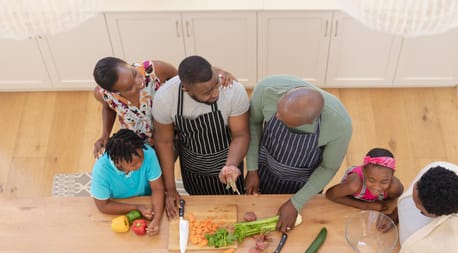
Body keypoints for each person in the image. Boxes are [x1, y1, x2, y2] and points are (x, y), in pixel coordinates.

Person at [245, 75, 352, 233]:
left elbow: (328, 168)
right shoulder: (266, 89)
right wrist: (252, 168)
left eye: (284, 121)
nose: (276, 116)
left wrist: (296, 203)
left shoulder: (339, 125)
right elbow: (253, 123)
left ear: (309, 122)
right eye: (278, 111)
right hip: (264, 169)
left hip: (301, 184)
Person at [152, 55, 250, 218]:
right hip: (193, 167)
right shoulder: (165, 98)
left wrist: (231, 165)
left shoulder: (233, 90)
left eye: (216, 85)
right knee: (199, 211)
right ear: (186, 89)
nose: (215, 94)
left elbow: (241, 135)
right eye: (207, 92)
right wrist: (170, 189)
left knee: (233, 208)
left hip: (229, 160)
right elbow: (164, 142)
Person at [92, 57, 235, 158]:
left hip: (170, 133)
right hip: (138, 141)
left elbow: (184, 79)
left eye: (134, 74)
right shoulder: (103, 94)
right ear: (114, 91)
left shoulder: (154, 70)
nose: (139, 83)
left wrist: (214, 73)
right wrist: (105, 134)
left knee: (166, 166)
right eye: (129, 88)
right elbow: (108, 108)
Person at [90, 129, 165, 235]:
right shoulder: (101, 170)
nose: (140, 165)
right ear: (117, 162)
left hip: (147, 201)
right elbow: (103, 205)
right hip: (117, 205)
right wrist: (136, 208)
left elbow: (158, 189)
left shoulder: (149, 154)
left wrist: (157, 219)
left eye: (142, 160)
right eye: (133, 164)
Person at [325, 148, 404, 215]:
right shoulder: (353, 185)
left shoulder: (395, 188)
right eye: (371, 180)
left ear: (392, 175)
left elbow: (392, 203)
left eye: (384, 182)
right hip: (349, 205)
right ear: (363, 171)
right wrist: (367, 206)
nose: (377, 187)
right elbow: (330, 195)